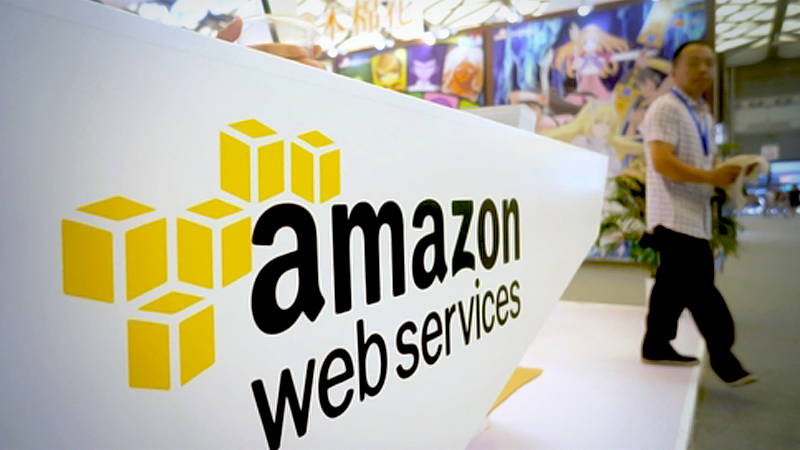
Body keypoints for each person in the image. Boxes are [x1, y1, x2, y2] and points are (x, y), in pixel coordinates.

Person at [640, 40, 756, 387]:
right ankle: (724, 356)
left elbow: (705, 162)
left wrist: (731, 171)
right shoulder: (666, 107)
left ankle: (656, 344)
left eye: (709, 63)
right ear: (674, 71)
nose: (703, 69)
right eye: (694, 62)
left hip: (695, 215)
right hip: (673, 215)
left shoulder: (703, 113)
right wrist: (710, 177)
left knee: (671, 287)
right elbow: (662, 162)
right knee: (702, 290)